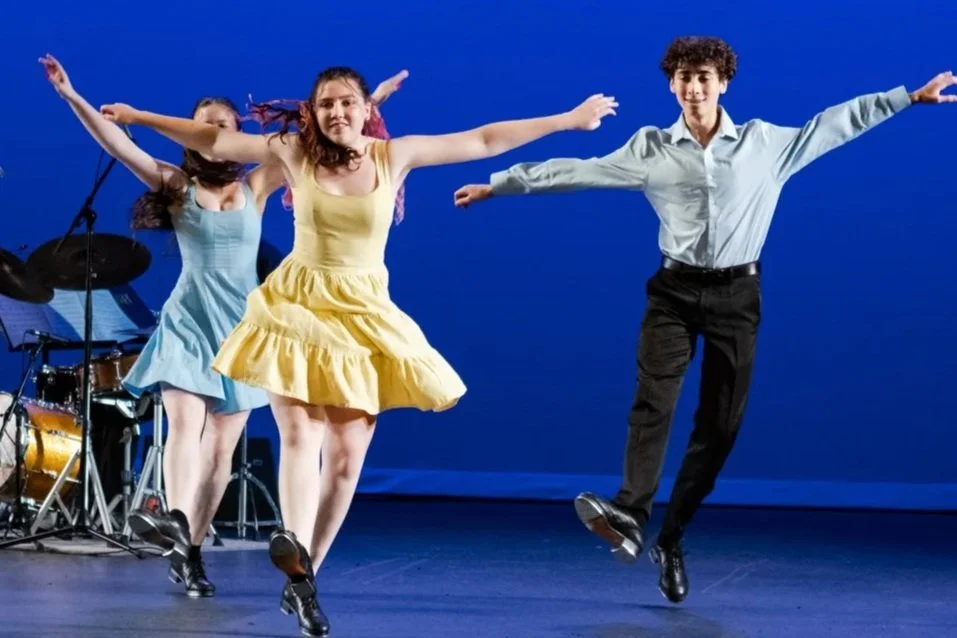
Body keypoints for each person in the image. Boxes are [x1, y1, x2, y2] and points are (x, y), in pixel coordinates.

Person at [99, 66, 616, 635]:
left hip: (364, 312)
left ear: (365, 107)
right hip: (295, 305)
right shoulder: (294, 153)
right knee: (300, 431)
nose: (336, 113)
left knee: (346, 458)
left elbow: (484, 139)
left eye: (347, 103)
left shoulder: (394, 156)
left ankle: (304, 578)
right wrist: (139, 118)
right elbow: (215, 140)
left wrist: (567, 120)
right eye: (325, 105)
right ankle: (291, 538)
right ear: (312, 113)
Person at [453, 36, 957, 604]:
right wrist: (499, 185)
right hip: (672, 291)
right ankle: (630, 512)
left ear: (724, 84)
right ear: (672, 85)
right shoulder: (650, 148)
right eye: (684, 77)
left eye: (705, 77)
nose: (694, 87)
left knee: (721, 429)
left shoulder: (766, 143)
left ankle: (671, 539)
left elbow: (834, 124)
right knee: (653, 400)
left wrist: (907, 98)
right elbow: (579, 170)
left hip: (738, 296)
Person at [40, 54, 407, 599]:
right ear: (193, 135)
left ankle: (187, 547)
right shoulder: (174, 184)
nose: (216, 132)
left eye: (226, 127)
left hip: (247, 327)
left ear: (237, 136)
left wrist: (367, 104)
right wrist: (74, 97)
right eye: (207, 125)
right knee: (185, 424)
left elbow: (325, 142)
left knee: (220, 454)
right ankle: (173, 518)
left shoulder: (256, 185)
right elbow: (119, 145)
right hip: (188, 320)